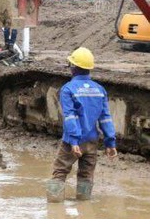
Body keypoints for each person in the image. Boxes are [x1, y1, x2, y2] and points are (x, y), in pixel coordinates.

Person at [46, 47, 118, 203]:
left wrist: (73, 141)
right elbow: (105, 118)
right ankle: (84, 208)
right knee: (86, 175)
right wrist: (110, 142)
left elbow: (70, 117)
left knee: (59, 172)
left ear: (73, 68)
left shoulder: (68, 89)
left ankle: (55, 211)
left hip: (73, 142)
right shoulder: (100, 90)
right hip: (92, 141)